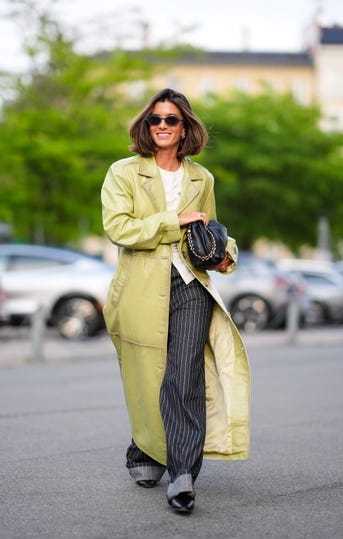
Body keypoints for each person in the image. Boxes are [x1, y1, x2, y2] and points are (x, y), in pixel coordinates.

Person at [101, 88, 250, 514]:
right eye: (155, 119)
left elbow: (212, 229)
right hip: (139, 289)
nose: (162, 126)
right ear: (145, 126)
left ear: (185, 127)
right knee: (147, 378)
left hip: (190, 286)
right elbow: (120, 229)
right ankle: (145, 451)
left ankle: (183, 474)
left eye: (171, 120)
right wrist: (174, 220)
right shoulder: (123, 173)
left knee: (183, 377)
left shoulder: (202, 178)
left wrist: (225, 254)